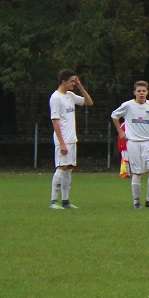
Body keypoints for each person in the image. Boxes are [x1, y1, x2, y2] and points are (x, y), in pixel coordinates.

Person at [111, 80, 149, 209]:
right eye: (139, 91)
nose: (141, 93)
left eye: (144, 91)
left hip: (147, 143)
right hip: (133, 143)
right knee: (137, 173)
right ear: (135, 92)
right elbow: (114, 116)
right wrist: (121, 131)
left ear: (147, 92)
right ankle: (136, 202)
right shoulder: (128, 105)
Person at [49, 69, 93, 209]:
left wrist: (80, 87)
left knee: (69, 168)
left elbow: (89, 102)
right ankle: (53, 201)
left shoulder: (71, 95)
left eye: (75, 81)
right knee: (61, 167)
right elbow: (55, 122)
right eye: (72, 81)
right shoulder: (55, 97)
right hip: (63, 140)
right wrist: (61, 143)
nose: (74, 83)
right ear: (63, 82)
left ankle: (66, 201)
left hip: (72, 139)